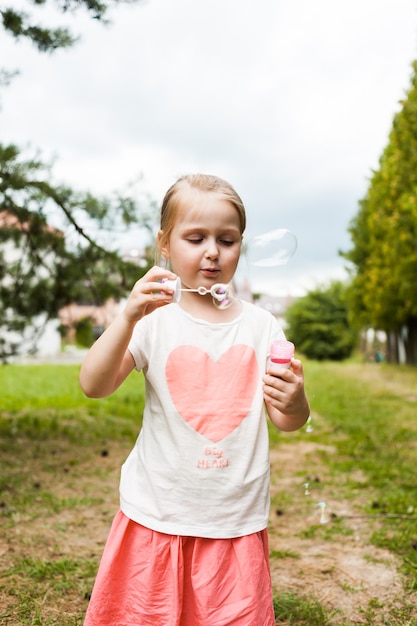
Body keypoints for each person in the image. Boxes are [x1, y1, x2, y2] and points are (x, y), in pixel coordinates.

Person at [80, 173, 310, 626]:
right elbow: (94, 384)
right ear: (164, 243)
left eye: (227, 239)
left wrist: (296, 400)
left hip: (233, 517)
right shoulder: (152, 320)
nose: (212, 251)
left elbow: (287, 421)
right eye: (195, 237)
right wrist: (127, 316)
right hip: (157, 510)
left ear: (241, 245)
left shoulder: (262, 326)